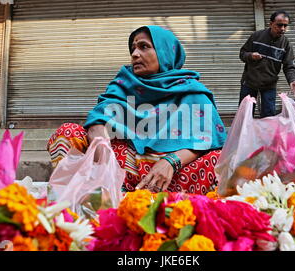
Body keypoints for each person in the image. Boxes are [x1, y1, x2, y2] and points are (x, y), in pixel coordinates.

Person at [47, 25, 227, 195]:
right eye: (133, 49)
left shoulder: (191, 91)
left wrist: (170, 162)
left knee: (222, 160)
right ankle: (88, 199)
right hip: (118, 175)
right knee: (67, 133)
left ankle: (174, 207)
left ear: (165, 53)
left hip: (170, 179)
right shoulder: (124, 85)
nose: (134, 54)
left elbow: (207, 140)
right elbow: (97, 122)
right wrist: (103, 159)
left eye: (144, 47)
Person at [239, 10, 295, 118]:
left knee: (268, 116)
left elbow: (289, 65)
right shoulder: (256, 36)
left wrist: (292, 80)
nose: (282, 28)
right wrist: (251, 56)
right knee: (245, 114)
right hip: (249, 82)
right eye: (279, 25)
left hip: (269, 84)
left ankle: (265, 135)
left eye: (285, 26)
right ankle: (245, 135)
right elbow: (242, 54)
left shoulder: (285, 44)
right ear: (271, 23)